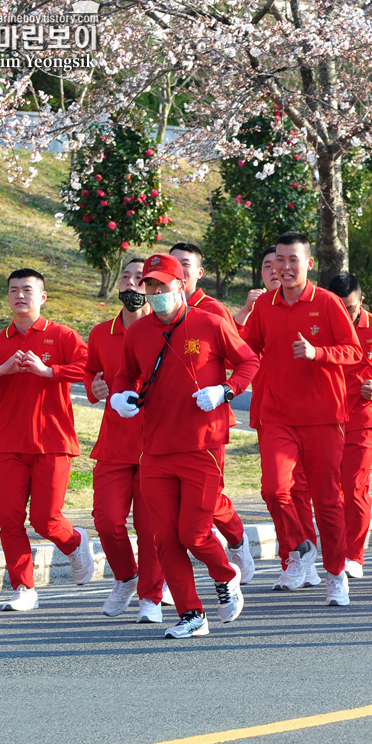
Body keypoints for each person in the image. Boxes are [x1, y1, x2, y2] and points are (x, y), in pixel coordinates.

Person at [111, 253, 260, 638]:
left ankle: (227, 574)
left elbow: (249, 362)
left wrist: (225, 390)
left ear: (181, 284)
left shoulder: (210, 323)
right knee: (164, 539)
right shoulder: (138, 333)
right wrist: (121, 397)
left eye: (164, 284)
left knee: (193, 533)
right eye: (151, 285)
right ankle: (191, 613)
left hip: (202, 444)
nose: (157, 292)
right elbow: (126, 375)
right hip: (156, 447)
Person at [240, 233, 364, 605]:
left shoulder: (326, 303)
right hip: (277, 415)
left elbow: (353, 351)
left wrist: (318, 353)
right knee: (274, 489)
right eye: (280, 260)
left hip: (323, 417)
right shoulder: (265, 306)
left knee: (327, 500)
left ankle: (336, 574)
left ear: (308, 264)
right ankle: (300, 546)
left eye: (293, 260)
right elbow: (247, 347)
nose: (286, 267)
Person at [0, 269, 94, 612]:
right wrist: (0, 370)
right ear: (7, 298)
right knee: (8, 519)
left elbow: (88, 369)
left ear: (42, 297)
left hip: (54, 440)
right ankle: (24, 589)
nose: (20, 296)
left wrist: (48, 371)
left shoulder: (62, 335)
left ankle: (76, 541)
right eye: (13, 291)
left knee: (45, 518)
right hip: (10, 442)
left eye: (27, 290)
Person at [84, 257, 166, 622]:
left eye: (141, 279)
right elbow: (90, 373)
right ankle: (126, 577)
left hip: (156, 444)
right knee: (107, 520)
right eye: (127, 278)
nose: (132, 285)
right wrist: (94, 386)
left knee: (150, 528)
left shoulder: (167, 330)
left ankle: (151, 597)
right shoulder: (102, 333)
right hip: (114, 444)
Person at [173, 242, 257, 581]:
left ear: (199, 272)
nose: (178, 272)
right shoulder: (158, 310)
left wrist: (221, 392)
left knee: (208, 497)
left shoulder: (212, 310)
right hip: (167, 422)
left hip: (207, 422)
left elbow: (241, 357)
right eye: (172, 265)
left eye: (185, 265)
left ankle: (236, 539)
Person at [325, 273, 372, 578]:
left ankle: (354, 555)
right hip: (325, 419)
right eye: (338, 308)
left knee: (354, 487)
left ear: (361, 301)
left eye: (350, 308)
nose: (344, 314)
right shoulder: (318, 328)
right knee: (332, 491)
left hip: (364, 419)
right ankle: (339, 547)